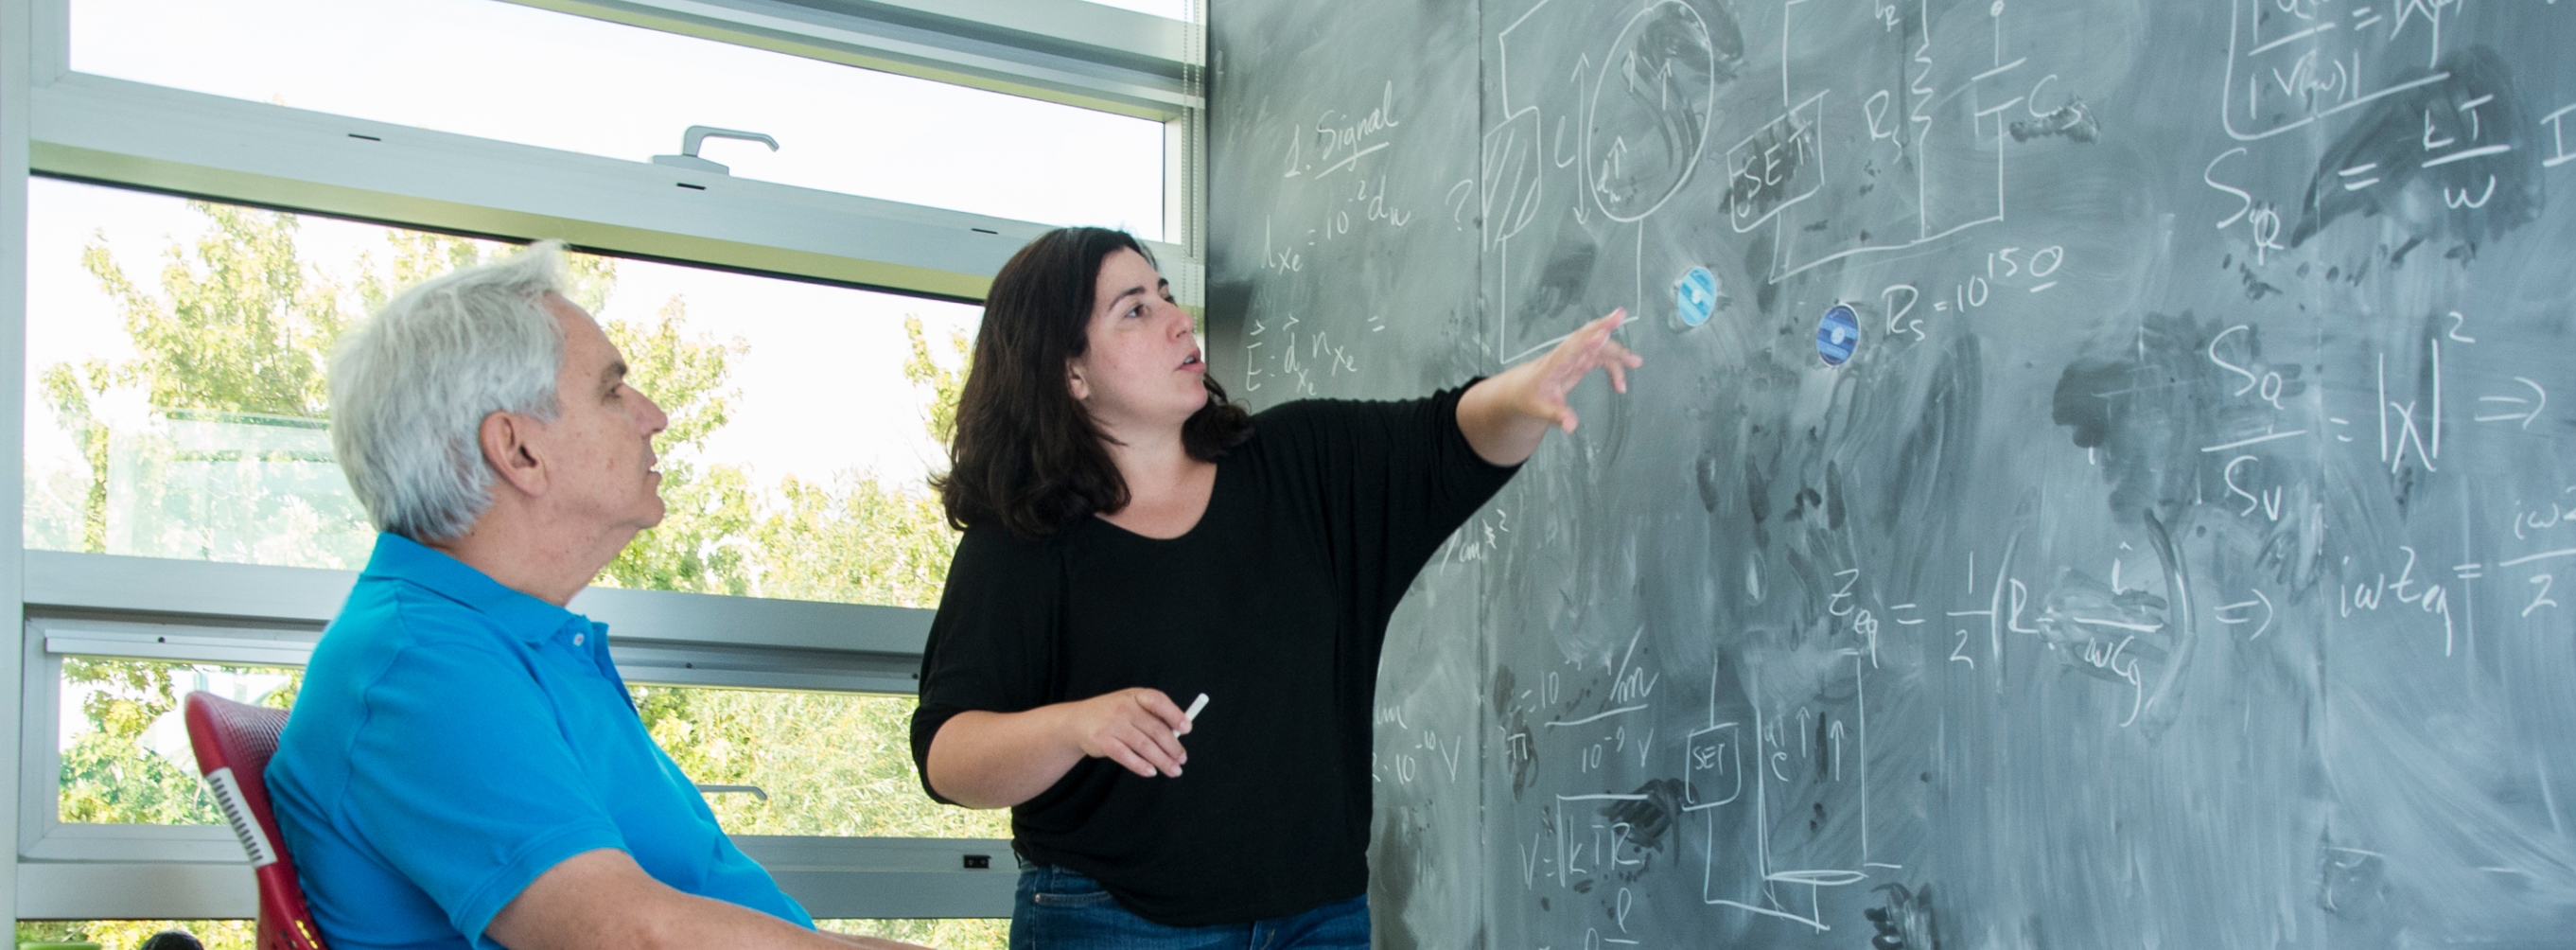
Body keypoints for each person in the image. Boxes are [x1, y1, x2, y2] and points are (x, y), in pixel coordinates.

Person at [910, 226, 1639, 946]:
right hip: (1110, 921)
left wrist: (1525, 393)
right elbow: (949, 757)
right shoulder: (1022, 543)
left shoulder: (1301, 467)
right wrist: (1075, 725)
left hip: (1317, 920)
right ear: (1071, 372)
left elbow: (1452, 439)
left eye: (1166, 294)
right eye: (1135, 309)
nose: (1177, 319)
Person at [264, 241, 922, 950]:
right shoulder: (419, 664)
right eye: (612, 390)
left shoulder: (510, 644)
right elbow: (626, 935)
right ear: (518, 451)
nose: (654, 414)